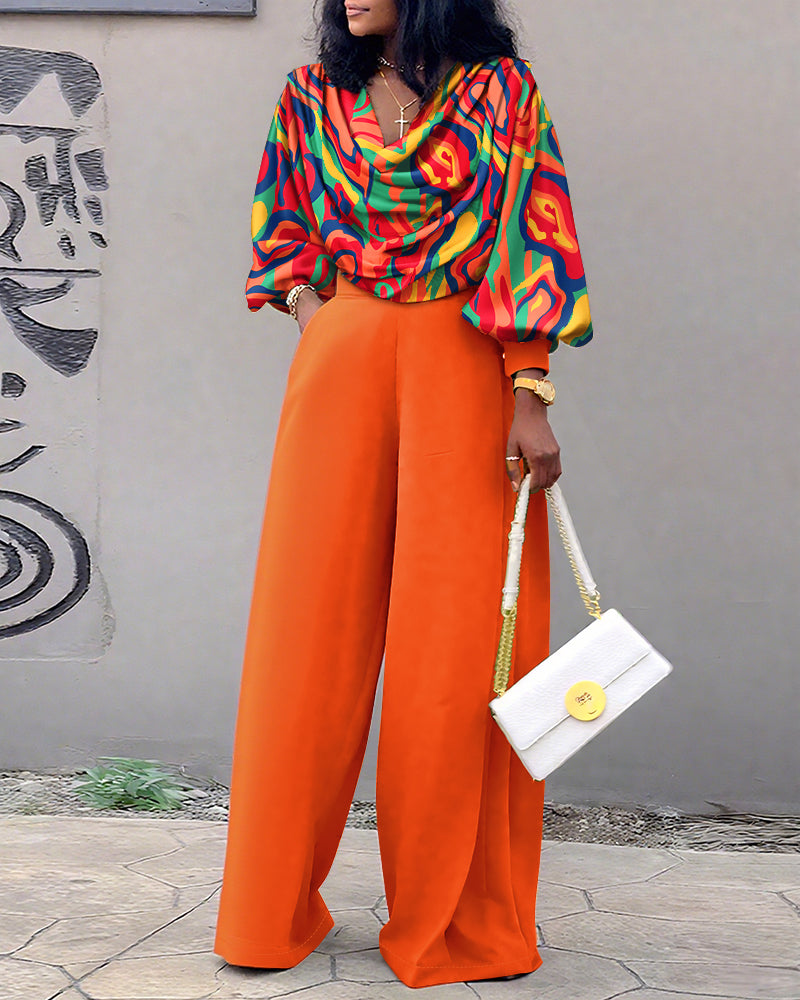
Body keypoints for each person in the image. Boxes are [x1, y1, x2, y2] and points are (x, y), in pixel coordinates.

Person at [215, 0, 593, 988]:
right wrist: (318, 317)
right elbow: (279, 228)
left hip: (465, 365)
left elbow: (532, 234)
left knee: (460, 653)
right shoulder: (310, 95)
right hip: (341, 362)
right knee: (305, 640)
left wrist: (529, 389)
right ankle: (266, 913)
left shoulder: (500, 95)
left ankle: (459, 920)